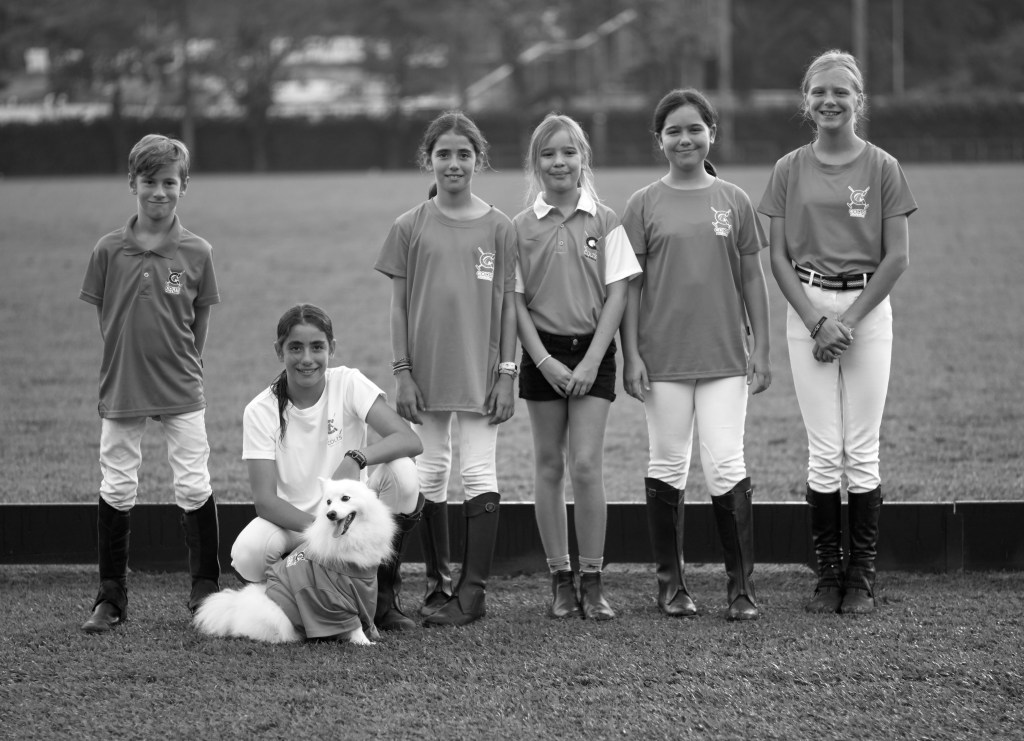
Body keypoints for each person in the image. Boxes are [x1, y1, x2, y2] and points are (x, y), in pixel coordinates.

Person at [758, 50, 916, 615]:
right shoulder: (787, 168)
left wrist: (845, 322)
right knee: (825, 449)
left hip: (866, 310)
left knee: (862, 448)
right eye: (819, 92)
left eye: (841, 92)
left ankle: (861, 575)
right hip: (807, 308)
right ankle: (828, 574)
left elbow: (897, 257)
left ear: (858, 101)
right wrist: (815, 321)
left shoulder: (883, 167)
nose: (830, 101)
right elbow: (777, 258)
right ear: (806, 100)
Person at [620, 89, 772, 622]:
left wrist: (762, 349)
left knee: (727, 462)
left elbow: (752, 278)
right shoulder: (642, 204)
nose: (684, 139)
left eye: (694, 129)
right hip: (662, 360)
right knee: (667, 463)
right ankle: (672, 587)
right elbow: (629, 288)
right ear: (658, 139)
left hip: (725, 357)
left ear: (712, 134)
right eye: (673, 131)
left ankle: (741, 588)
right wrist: (631, 355)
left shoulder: (734, 199)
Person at [374, 111, 517, 628]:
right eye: (443, 154)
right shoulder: (409, 225)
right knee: (426, 472)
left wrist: (508, 373)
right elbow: (398, 307)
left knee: (478, 471)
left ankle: (471, 596)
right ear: (428, 159)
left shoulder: (500, 227)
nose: (454, 163)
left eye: (463, 154)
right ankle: (426, 587)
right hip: (425, 373)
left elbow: (509, 306)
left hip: (482, 373)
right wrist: (402, 372)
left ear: (478, 159)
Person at [79, 134, 222, 633]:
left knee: (194, 482)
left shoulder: (198, 251)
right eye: (149, 181)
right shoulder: (107, 249)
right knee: (117, 484)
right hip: (123, 385)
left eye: (169, 182)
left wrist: (182, 364)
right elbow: (107, 317)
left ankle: (205, 590)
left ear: (184, 186)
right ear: (132, 184)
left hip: (181, 385)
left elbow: (200, 321)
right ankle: (111, 597)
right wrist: (130, 362)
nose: (159, 192)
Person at [512, 114, 641, 620]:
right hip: (542, 354)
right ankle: (560, 580)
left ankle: (593, 580)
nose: (559, 162)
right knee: (549, 464)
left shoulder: (605, 220)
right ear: (535, 163)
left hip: (593, 354)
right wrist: (543, 360)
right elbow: (514, 302)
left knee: (585, 465)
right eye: (548, 154)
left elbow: (618, 295)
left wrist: (590, 361)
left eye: (568, 152)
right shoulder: (519, 228)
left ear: (583, 158)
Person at [230, 304, 424, 632]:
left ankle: (383, 599)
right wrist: (322, 533)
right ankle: (298, 598)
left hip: (350, 519)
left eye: (317, 347)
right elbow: (265, 502)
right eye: (295, 348)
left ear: (331, 348)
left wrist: (356, 458)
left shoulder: (348, 383)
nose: (307, 359)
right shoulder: (260, 410)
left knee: (403, 472)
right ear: (279, 351)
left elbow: (408, 439)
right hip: (296, 524)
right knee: (249, 552)